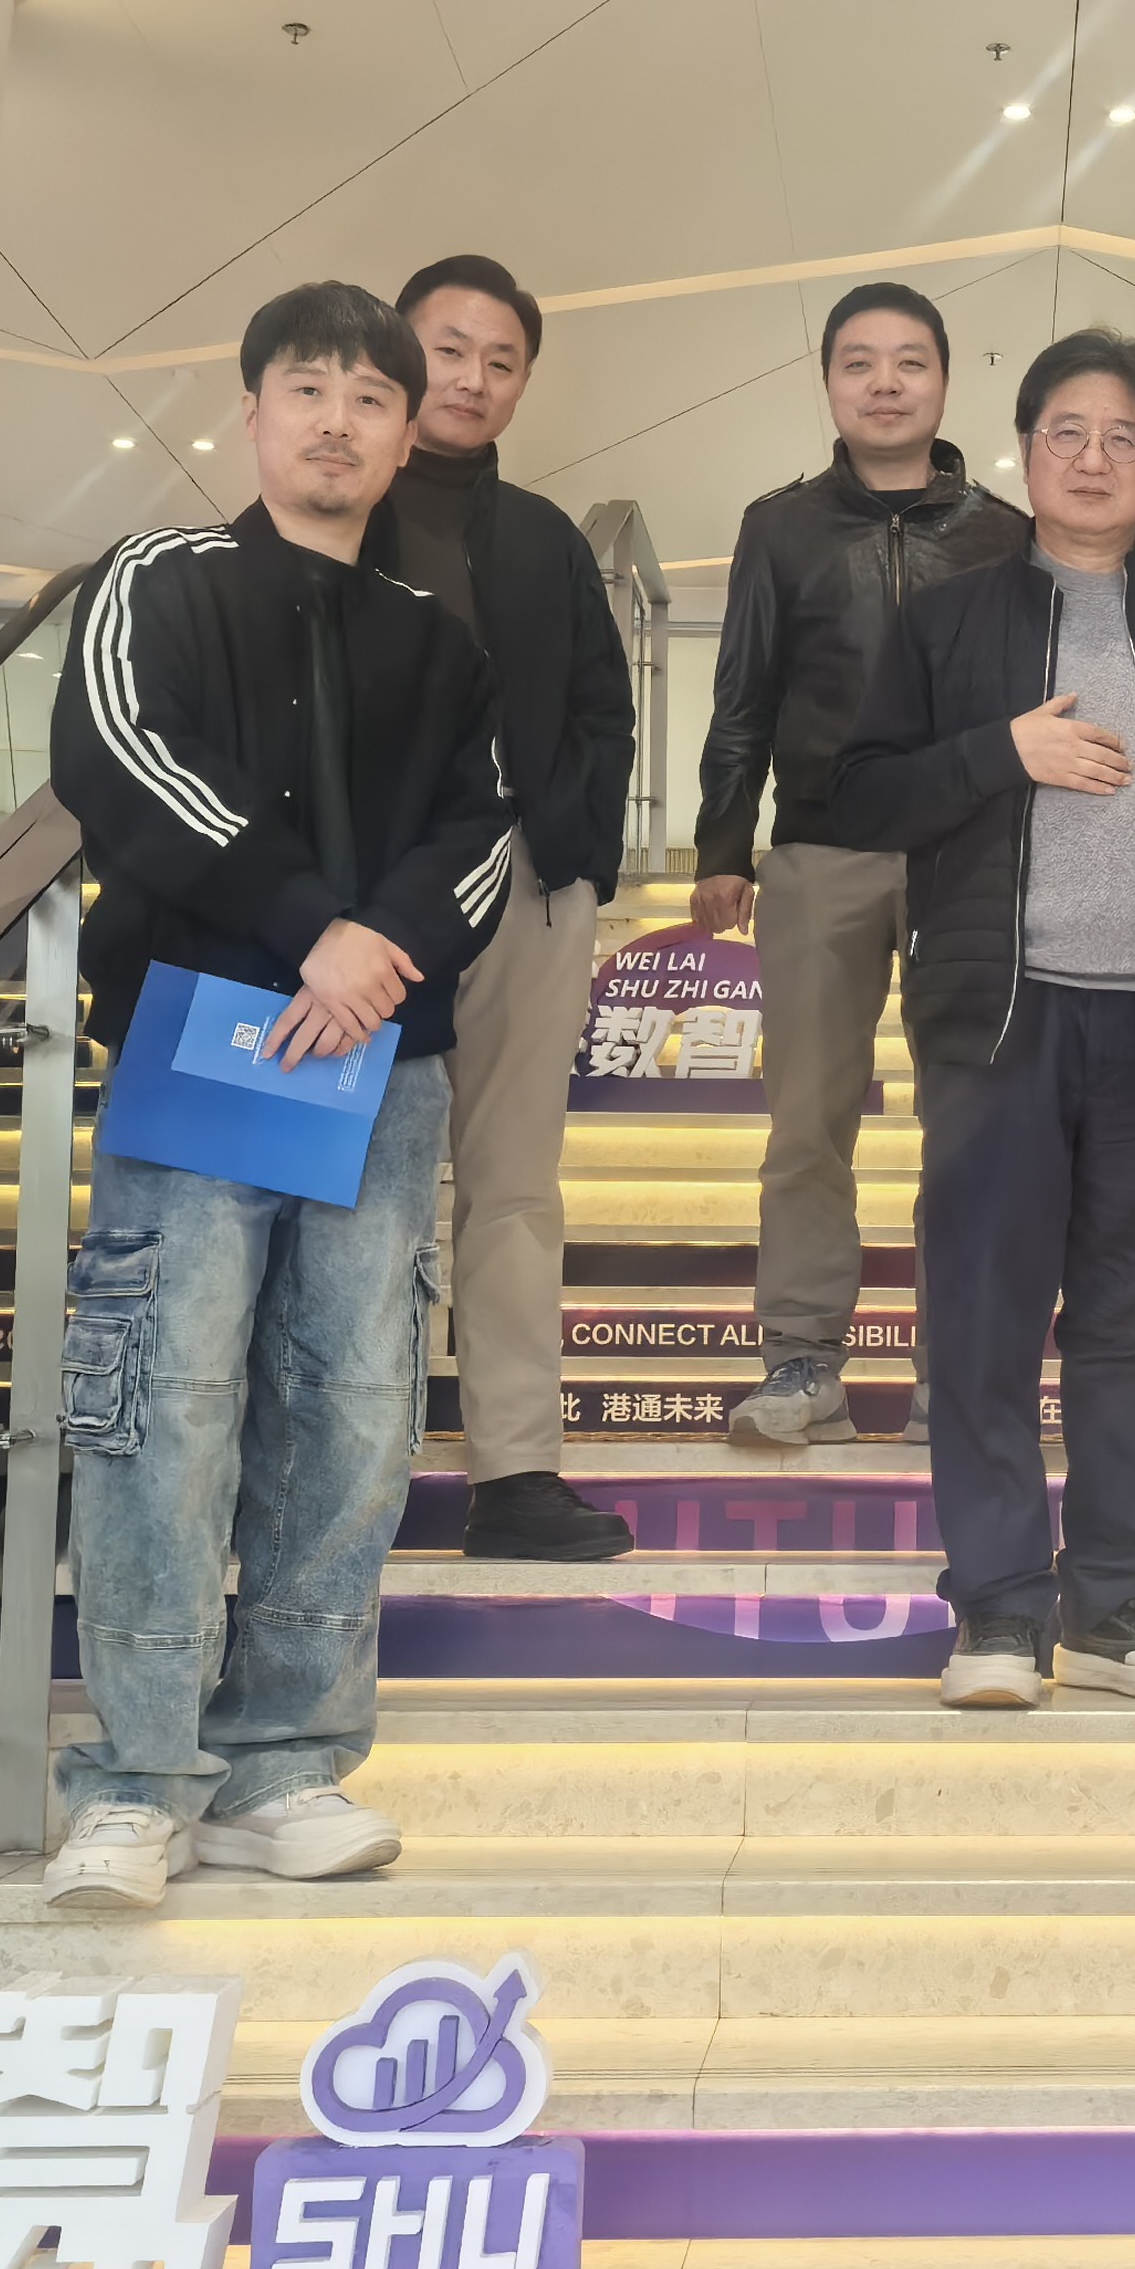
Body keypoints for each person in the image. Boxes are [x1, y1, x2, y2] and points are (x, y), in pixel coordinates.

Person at [41, 280, 521, 1912]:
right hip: (200, 1040)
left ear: (406, 434)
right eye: (307, 389)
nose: (337, 420)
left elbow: (481, 830)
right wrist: (311, 925)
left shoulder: (440, 640)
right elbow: (121, 758)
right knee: (163, 1398)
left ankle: (284, 1764)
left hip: (378, 1066)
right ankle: (136, 1779)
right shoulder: (160, 581)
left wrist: (374, 952)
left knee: (354, 1411)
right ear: (250, 414)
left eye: (371, 397)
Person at [823, 330, 1135, 1709]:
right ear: (1023, 452)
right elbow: (856, 794)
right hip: (1001, 1023)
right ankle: (999, 1612)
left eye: (1122, 436)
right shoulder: (948, 621)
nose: (1093, 458)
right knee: (982, 1319)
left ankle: (1120, 1607)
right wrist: (998, 754)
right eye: (1066, 432)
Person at [693, 283, 1030, 1444]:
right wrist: (724, 846)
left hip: (968, 861)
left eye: (908, 362)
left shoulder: (1004, 533)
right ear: (830, 381)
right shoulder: (779, 528)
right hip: (819, 857)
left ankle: (959, 1376)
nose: (884, 384)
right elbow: (743, 694)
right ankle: (803, 1365)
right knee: (806, 1124)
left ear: (944, 380)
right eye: (859, 363)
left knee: (973, 1126)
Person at [367, 252, 640, 1562]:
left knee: (516, 1187)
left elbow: (602, 703)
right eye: (449, 349)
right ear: (395, 350)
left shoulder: (543, 537)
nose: (472, 378)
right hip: (364, 904)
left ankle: (515, 1472)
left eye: (501, 360)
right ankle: (343, 1466)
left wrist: (576, 843)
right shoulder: (335, 509)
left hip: (527, 887)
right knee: (353, 1186)